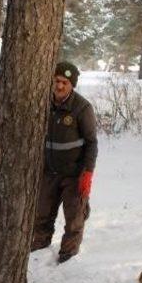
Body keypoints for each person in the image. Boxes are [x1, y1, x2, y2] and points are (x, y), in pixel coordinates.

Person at [31, 61, 98, 264]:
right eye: (57, 81)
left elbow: (92, 143)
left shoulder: (82, 108)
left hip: (74, 174)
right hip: (49, 171)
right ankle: (39, 249)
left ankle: (68, 256)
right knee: (41, 214)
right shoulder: (44, 103)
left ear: (72, 85)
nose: (59, 86)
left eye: (65, 83)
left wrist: (87, 173)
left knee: (74, 218)